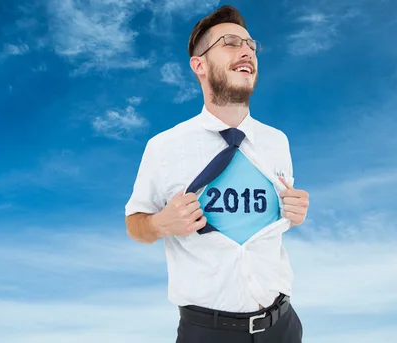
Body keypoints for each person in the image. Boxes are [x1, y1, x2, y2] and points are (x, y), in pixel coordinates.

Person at [124, 5, 310, 343]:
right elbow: (134, 223)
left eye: (251, 45)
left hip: (282, 327)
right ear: (200, 65)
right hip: (208, 333)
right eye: (230, 43)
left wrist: (295, 213)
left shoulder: (277, 142)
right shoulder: (164, 147)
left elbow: (273, 219)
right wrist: (159, 224)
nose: (246, 51)